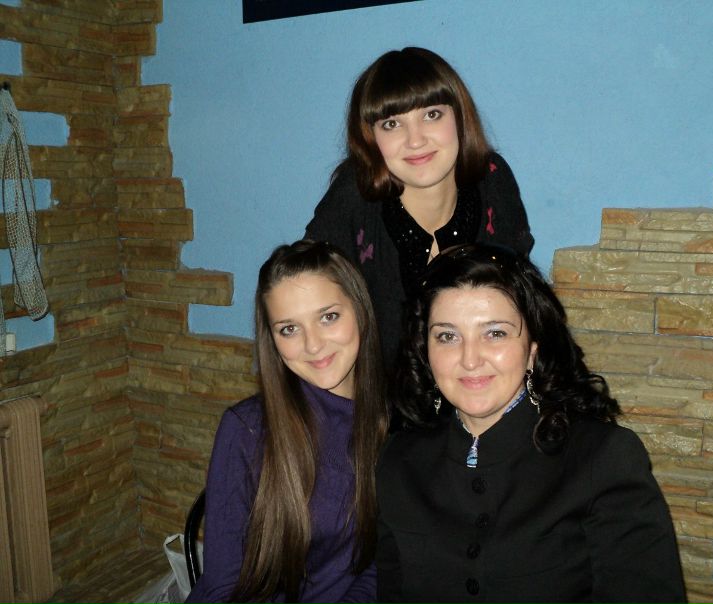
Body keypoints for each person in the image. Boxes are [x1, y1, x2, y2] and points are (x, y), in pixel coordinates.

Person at [376, 243, 687, 603]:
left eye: (495, 333)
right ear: (425, 351)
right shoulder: (398, 460)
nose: (470, 359)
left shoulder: (602, 458)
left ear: (532, 351)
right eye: (448, 336)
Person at [186, 240, 388, 604]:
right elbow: (222, 587)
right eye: (289, 329)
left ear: (359, 310)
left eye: (328, 317)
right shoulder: (247, 430)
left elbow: (381, 561)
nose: (313, 345)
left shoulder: (391, 422)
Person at [305, 47, 534, 366]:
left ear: (459, 116)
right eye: (391, 124)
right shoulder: (353, 195)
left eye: (432, 115)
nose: (415, 140)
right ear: (369, 137)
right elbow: (302, 293)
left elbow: (523, 302)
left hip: (480, 381)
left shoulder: (492, 178)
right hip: (382, 393)